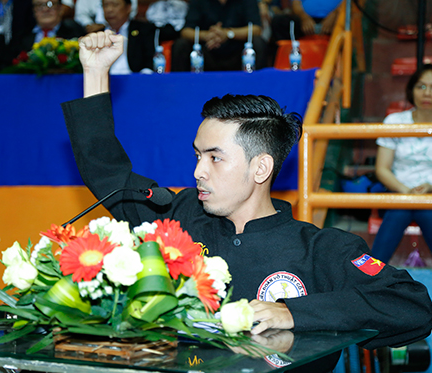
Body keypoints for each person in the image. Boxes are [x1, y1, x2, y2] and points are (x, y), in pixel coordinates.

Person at [62, 31, 432, 367]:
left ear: (260, 169)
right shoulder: (177, 218)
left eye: (214, 158)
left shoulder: (320, 249)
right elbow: (109, 174)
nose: (198, 172)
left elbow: (412, 305)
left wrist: (292, 313)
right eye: (197, 156)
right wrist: (95, 73)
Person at [371, 64, 432, 264]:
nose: (427, 93)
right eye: (421, 87)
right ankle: (370, 277)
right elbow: (382, 168)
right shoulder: (395, 121)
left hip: (430, 195)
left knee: (424, 207)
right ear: (411, 90)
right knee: (401, 208)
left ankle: (369, 275)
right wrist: (406, 191)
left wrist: (429, 187)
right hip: (398, 193)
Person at [170, 0, 266, 71]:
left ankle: (258, 87)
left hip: (238, 54)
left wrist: (228, 33)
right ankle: (178, 87)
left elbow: (256, 29)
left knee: (258, 42)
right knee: (181, 44)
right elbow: (185, 31)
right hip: (206, 53)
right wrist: (207, 35)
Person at [6, 0, 85, 62]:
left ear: (60, 9)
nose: (45, 9)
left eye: (50, 4)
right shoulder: (20, 38)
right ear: (34, 11)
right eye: (40, 5)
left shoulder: (74, 35)